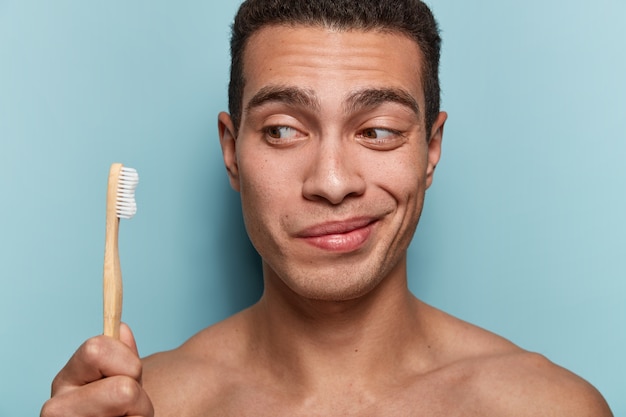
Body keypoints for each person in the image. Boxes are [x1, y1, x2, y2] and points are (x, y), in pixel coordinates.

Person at [41, 0, 613, 416]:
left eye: (380, 130)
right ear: (231, 151)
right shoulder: (142, 407)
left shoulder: (549, 407)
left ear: (431, 150)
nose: (332, 183)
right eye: (284, 130)